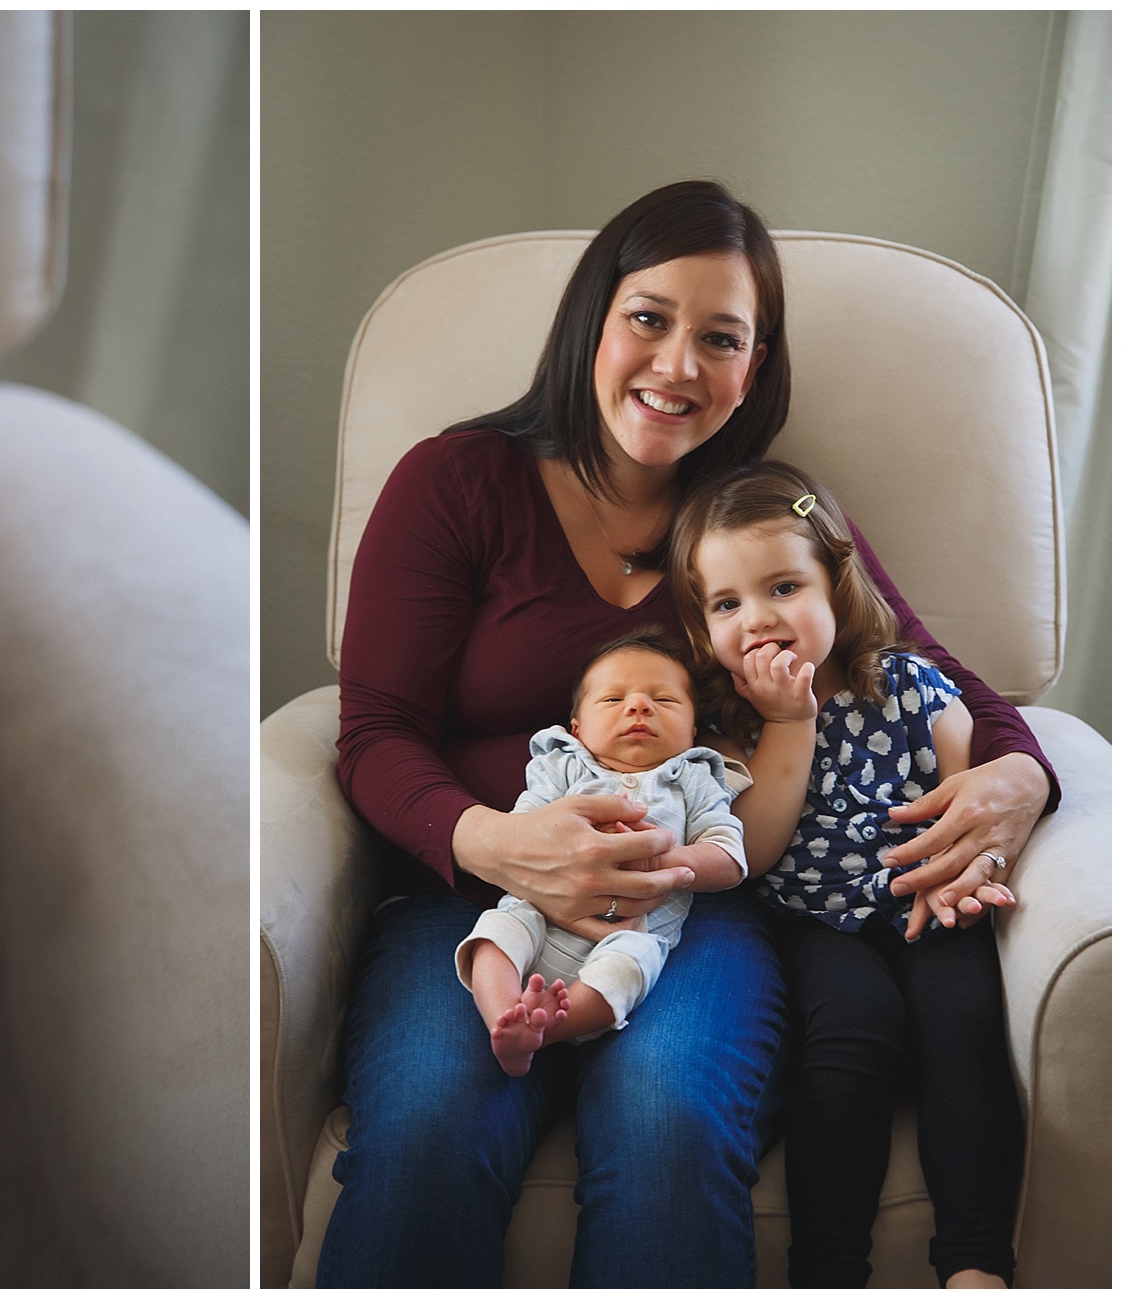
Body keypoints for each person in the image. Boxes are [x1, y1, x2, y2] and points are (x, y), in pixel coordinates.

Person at [321, 178, 1056, 1287]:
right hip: (465, 901)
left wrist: (1020, 781)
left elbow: (929, 674)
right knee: (426, 1135)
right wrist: (491, 843)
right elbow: (373, 732)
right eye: (650, 319)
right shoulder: (456, 483)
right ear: (594, 319)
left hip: (695, 911)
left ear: (751, 370)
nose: (676, 366)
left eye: (720, 339)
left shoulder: (756, 526)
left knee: (670, 1133)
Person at [671, 461, 1022, 1287]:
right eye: (727, 604)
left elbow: (964, 797)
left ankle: (975, 1261)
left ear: (836, 582)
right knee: (853, 1032)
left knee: (962, 1019)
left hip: (924, 897)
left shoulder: (910, 686)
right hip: (811, 923)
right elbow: (752, 851)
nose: (757, 620)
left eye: (783, 587)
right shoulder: (726, 727)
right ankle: (828, 1268)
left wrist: (958, 871)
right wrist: (790, 722)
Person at [456, 632, 749, 1076]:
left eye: (664, 700)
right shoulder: (564, 765)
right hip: (539, 911)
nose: (638, 707)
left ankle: (550, 1028)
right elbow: (522, 832)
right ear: (577, 728)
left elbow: (728, 859)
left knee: (635, 961)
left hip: (631, 928)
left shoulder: (693, 779)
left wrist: (659, 862)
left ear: (692, 730)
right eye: (613, 699)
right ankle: (504, 1017)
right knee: (497, 931)